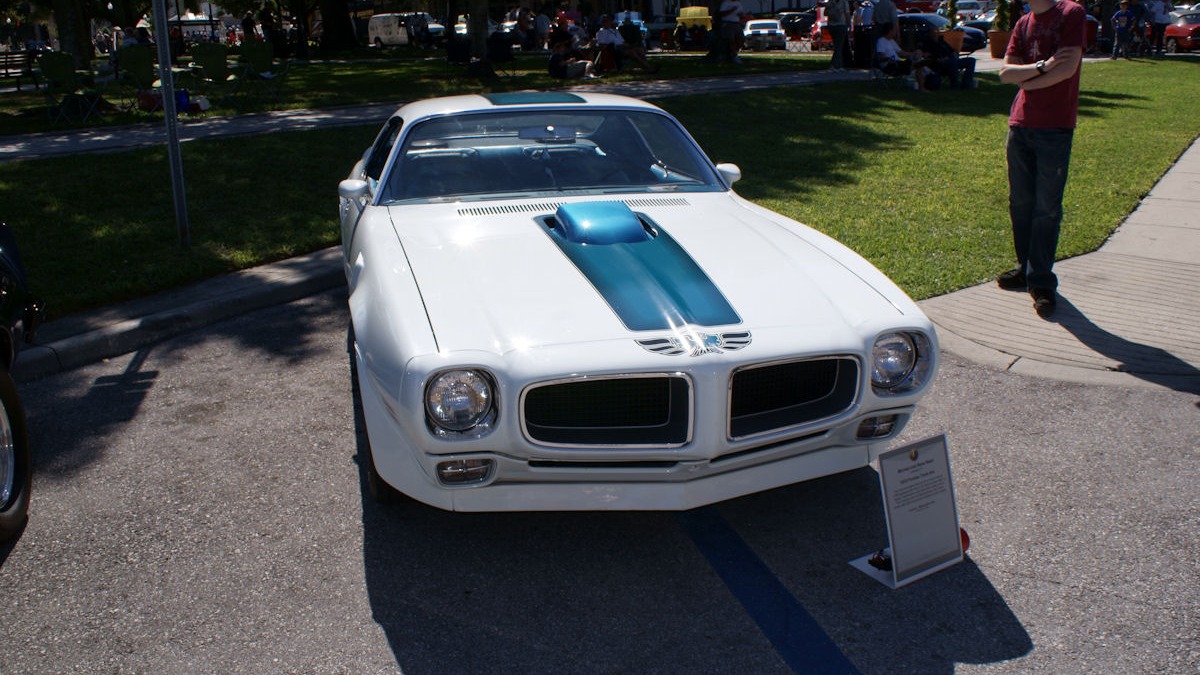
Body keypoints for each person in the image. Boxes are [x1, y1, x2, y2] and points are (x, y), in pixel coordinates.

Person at [997, 0, 1086, 317]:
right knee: (1020, 202)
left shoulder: (1070, 14)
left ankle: (1043, 283)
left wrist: (1027, 77)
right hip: (1020, 125)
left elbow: (1068, 68)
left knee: (1046, 208)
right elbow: (1006, 73)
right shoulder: (1023, 23)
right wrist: (1041, 67)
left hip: (1055, 127)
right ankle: (1027, 270)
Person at [875, 24, 929, 90]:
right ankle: (922, 86)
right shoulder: (881, 41)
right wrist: (889, 59)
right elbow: (880, 57)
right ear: (890, 31)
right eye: (894, 31)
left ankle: (921, 64)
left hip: (898, 63)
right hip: (890, 65)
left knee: (918, 60)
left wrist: (914, 53)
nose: (895, 32)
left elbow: (902, 53)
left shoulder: (891, 41)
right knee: (918, 65)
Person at [826, 0, 851, 71]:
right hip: (841, 25)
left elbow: (825, 13)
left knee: (837, 45)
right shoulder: (844, 2)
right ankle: (833, 65)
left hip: (831, 25)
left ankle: (839, 65)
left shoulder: (830, 2)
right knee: (839, 46)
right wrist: (849, 24)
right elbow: (847, 14)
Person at [852, 0, 876, 68]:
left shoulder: (861, 9)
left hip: (863, 28)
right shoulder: (869, 7)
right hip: (866, 28)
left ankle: (863, 61)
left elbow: (858, 20)